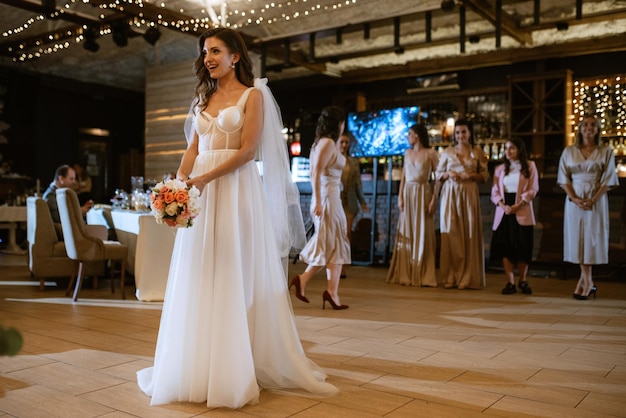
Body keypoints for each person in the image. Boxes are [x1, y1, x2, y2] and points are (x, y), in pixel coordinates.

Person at [136, 28, 336, 409]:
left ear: (235, 57)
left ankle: (236, 366)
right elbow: (191, 151)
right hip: (200, 196)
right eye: (205, 51)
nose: (207, 57)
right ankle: (196, 364)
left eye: (215, 50)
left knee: (233, 272)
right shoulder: (203, 98)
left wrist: (204, 180)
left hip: (234, 190)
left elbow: (248, 152)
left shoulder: (253, 95)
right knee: (200, 273)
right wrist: (177, 187)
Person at [290, 106, 351, 310]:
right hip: (327, 200)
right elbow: (315, 173)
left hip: (331, 198)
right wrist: (317, 201)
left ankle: (324, 289)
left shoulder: (326, 143)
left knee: (333, 244)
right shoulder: (326, 143)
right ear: (338, 123)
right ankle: (316, 285)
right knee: (330, 242)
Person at [557, 113, 619, 300]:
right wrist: (574, 198)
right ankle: (587, 281)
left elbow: (608, 179)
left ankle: (585, 281)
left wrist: (593, 199)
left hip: (596, 198)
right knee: (577, 238)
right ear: (580, 129)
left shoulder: (606, 151)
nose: (588, 128)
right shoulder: (568, 151)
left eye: (593, 125)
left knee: (591, 238)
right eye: (585, 125)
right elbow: (563, 178)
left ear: (598, 129)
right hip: (574, 199)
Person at [435, 119, 489, 290]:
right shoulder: (447, 152)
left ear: (470, 133)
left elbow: (485, 176)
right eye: (457, 133)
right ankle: (450, 277)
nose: (460, 136)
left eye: (463, 132)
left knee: (469, 232)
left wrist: (471, 175)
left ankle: (468, 277)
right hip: (450, 193)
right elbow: (436, 174)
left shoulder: (477, 152)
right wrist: (447, 173)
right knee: (451, 233)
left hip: (469, 193)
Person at [386, 123, 439, 287]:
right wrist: (400, 197)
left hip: (423, 192)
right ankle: (406, 272)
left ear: (417, 135)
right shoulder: (407, 153)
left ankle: (424, 274)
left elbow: (438, 179)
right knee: (407, 230)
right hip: (408, 193)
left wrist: (433, 201)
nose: (407, 137)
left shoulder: (431, 153)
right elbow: (403, 176)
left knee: (423, 230)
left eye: (409, 133)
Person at [489, 137, 539, 295]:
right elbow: (495, 191)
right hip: (504, 210)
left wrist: (519, 205)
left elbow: (533, 189)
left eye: (512, 148)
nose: (508, 151)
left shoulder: (530, 166)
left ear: (519, 150)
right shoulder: (500, 169)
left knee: (523, 246)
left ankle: (523, 280)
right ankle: (510, 282)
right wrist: (503, 206)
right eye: (506, 148)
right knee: (506, 247)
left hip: (522, 209)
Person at [337, 131, 367, 278]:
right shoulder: (333, 159)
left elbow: (357, 184)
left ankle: (342, 265)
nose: (344, 145)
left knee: (346, 233)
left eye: (346, 142)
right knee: (337, 233)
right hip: (335, 200)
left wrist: (362, 201)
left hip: (350, 200)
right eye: (341, 142)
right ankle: (334, 264)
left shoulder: (353, 162)